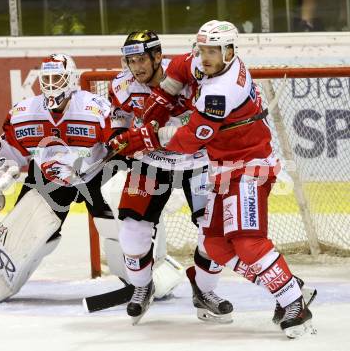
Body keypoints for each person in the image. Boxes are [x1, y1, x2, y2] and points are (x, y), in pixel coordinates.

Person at [109, 21, 317, 338]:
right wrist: (164, 97)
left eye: (213, 51)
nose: (205, 58)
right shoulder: (204, 61)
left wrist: (146, 136)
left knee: (248, 242)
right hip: (222, 166)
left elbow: (191, 139)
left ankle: (292, 301)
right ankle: (283, 284)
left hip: (246, 166)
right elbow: (181, 65)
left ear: (230, 51)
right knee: (216, 245)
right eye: (203, 50)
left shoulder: (222, 91)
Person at [0, 53, 125, 304]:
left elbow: (122, 144)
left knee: (119, 221)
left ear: (71, 80)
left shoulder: (96, 108)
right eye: (47, 79)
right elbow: (8, 157)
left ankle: (147, 272)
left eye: (58, 78)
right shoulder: (23, 113)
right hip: (49, 177)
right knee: (28, 228)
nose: (51, 85)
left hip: (95, 174)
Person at [108, 30, 233, 325]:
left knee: (213, 232)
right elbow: (118, 120)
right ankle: (142, 286)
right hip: (150, 163)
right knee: (131, 232)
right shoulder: (122, 85)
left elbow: (202, 123)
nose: (136, 67)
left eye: (141, 59)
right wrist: (117, 138)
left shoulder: (194, 80)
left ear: (158, 57)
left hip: (198, 161)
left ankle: (204, 291)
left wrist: (150, 137)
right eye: (131, 61)